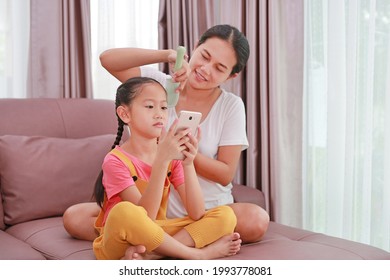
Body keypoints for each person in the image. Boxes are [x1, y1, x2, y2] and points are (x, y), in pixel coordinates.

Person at [63, 24, 269, 245]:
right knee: (74, 217)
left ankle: (154, 247)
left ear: (231, 76)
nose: (206, 69)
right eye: (204, 56)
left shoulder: (231, 105)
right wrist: (167, 55)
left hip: (203, 210)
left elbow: (226, 173)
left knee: (256, 220)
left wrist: (183, 153)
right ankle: (181, 242)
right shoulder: (157, 87)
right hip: (151, 207)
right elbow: (108, 59)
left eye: (219, 68)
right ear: (196, 47)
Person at [93, 76, 241, 260]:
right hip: (120, 239)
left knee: (226, 215)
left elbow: (196, 213)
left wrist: (188, 163)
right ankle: (197, 255)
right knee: (124, 212)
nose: (159, 114)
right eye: (149, 106)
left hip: (154, 234)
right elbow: (145, 217)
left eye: (163, 107)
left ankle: (152, 255)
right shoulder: (115, 160)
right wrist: (162, 162)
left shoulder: (171, 156)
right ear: (125, 114)